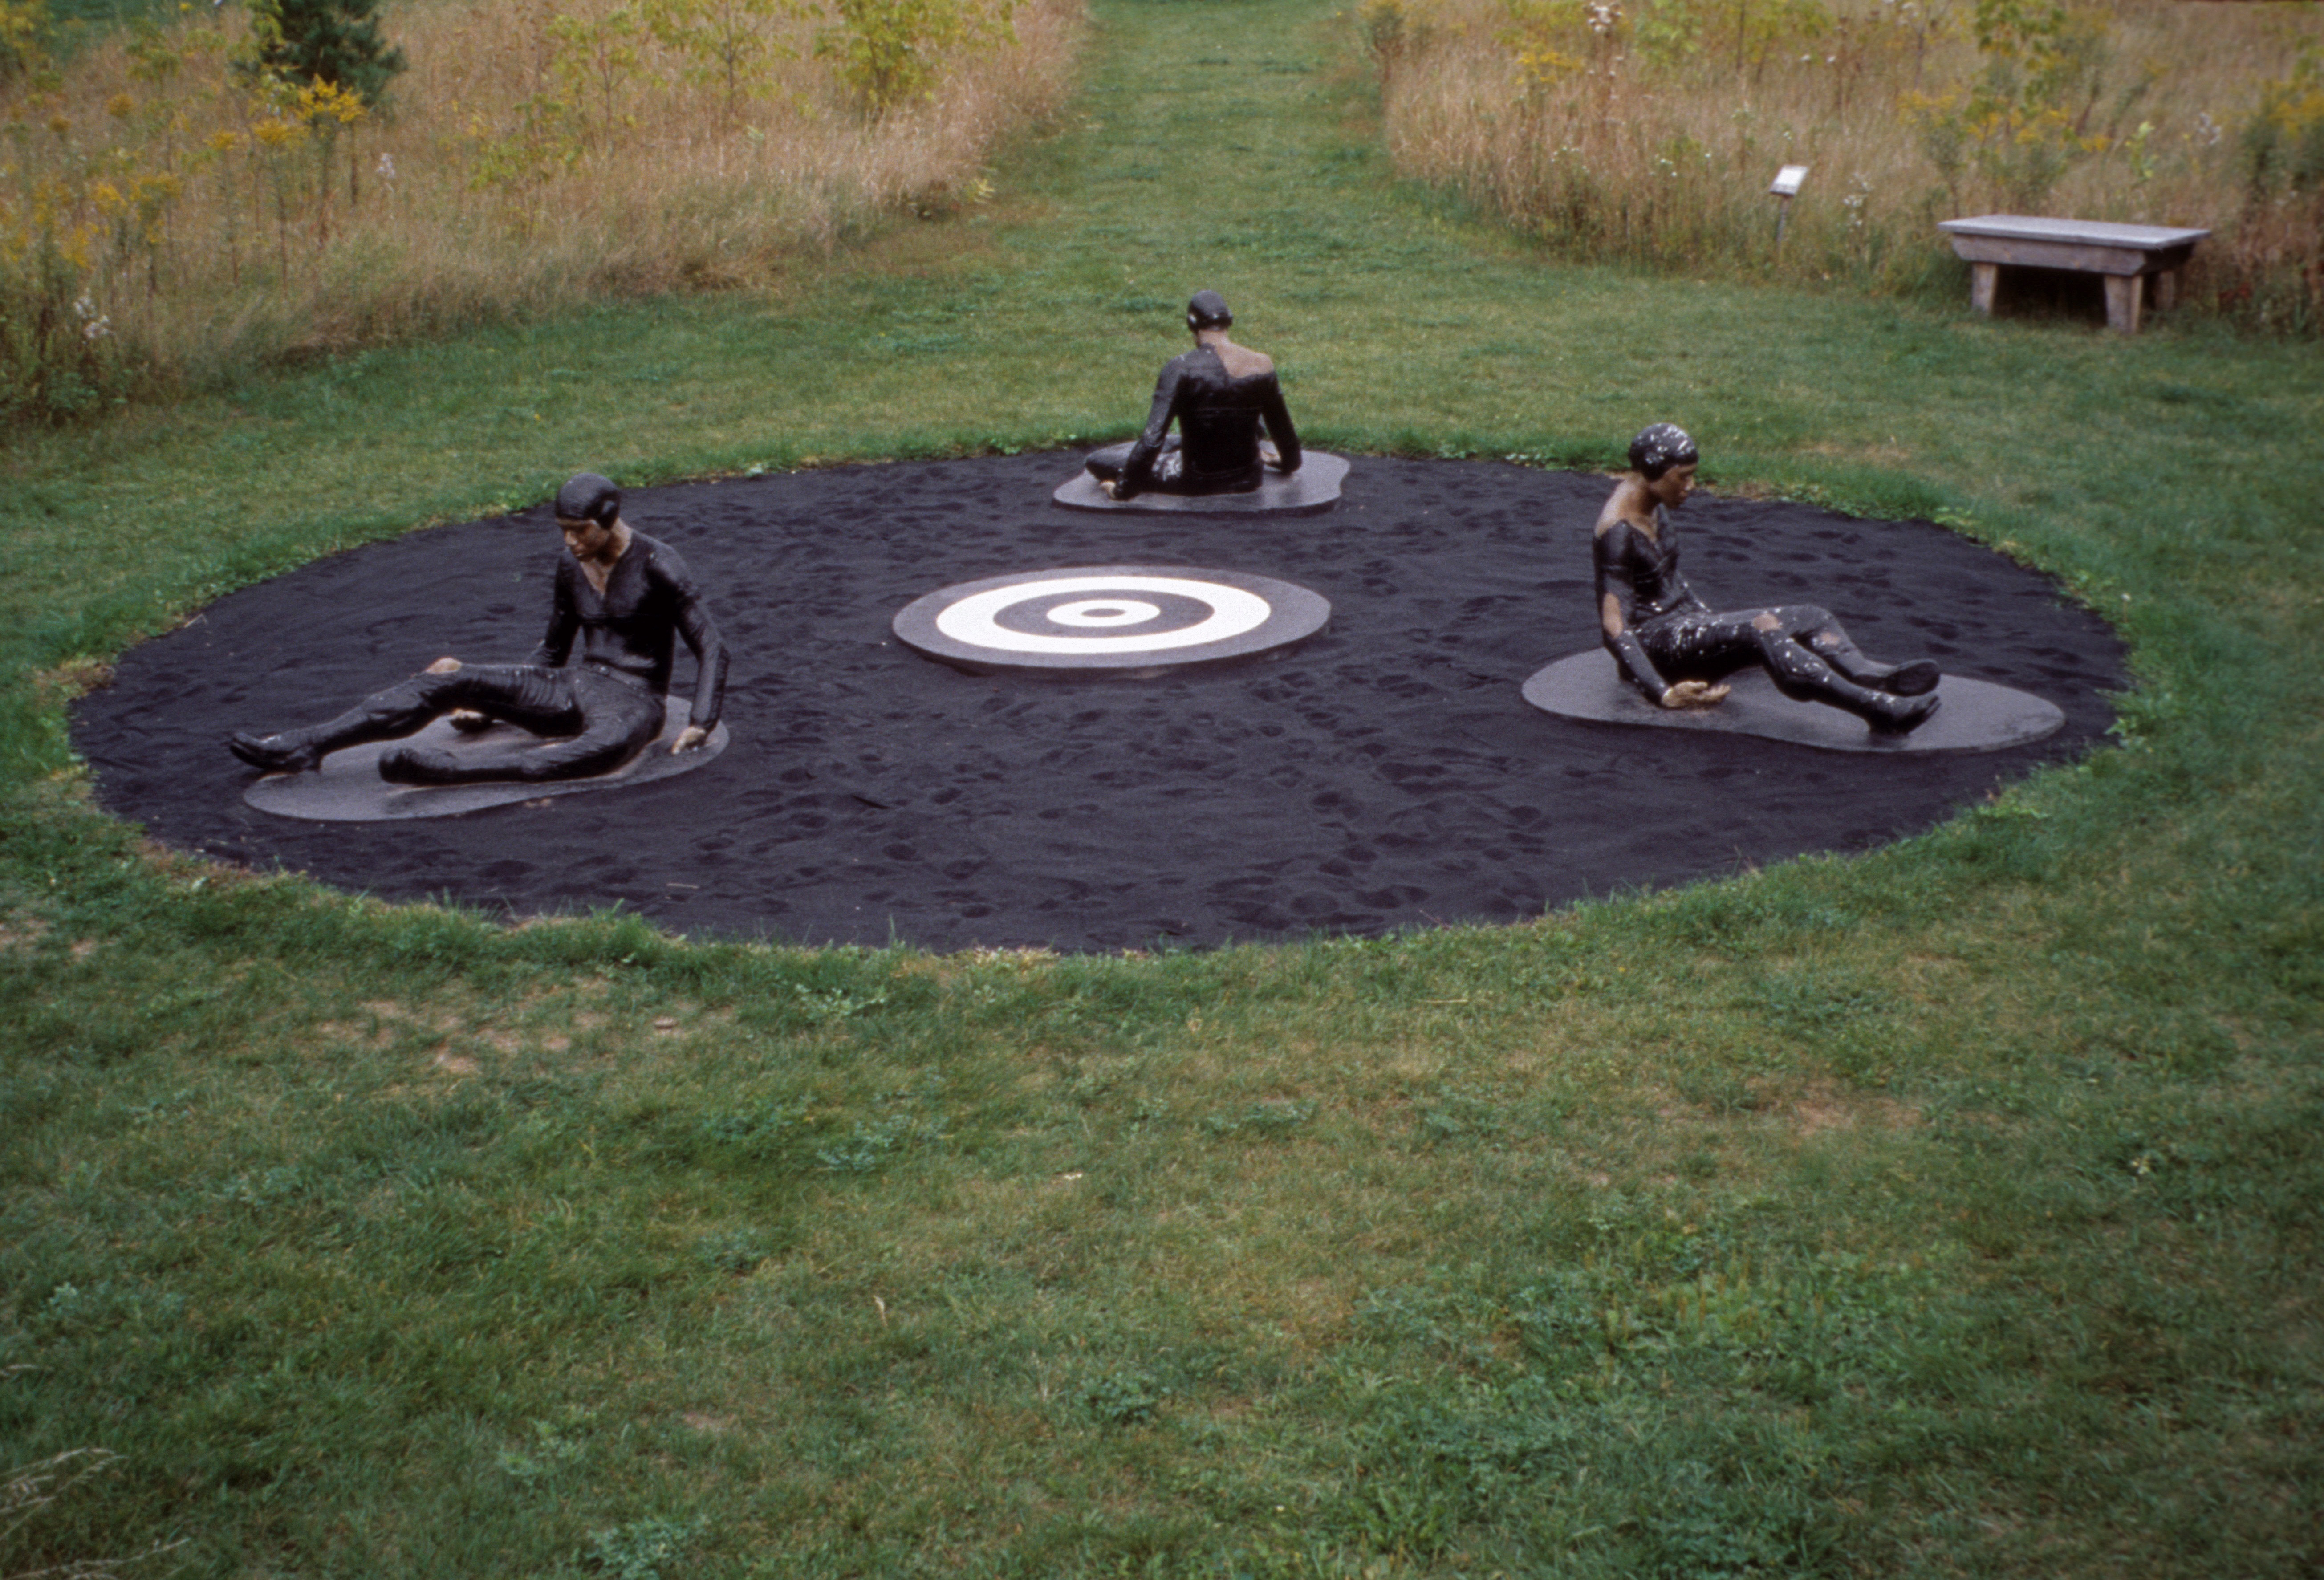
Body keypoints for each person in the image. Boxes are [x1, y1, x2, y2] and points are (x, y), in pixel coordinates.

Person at [228, 473, 729, 784]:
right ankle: (307, 744)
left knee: (593, 752)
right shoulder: (569, 563)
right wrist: (497, 701)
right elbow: (553, 649)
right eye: (564, 532)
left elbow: (710, 644)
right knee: (445, 680)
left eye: (581, 532)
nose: (572, 543)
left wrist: (700, 720)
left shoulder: (659, 563)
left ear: (609, 517)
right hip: (574, 684)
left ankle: (447, 772)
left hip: (633, 699)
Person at [1593, 424, 1941, 733]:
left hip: (1684, 626)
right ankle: (1877, 710)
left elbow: (1668, 579)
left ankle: (1870, 676)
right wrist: (1664, 693)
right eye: (1682, 477)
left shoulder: (1653, 503)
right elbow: (1614, 626)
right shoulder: (1618, 531)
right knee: (1762, 629)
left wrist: (1710, 622)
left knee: (1812, 616)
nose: (1691, 486)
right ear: (1655, 471)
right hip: (1658, 648)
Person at [1083, 290, 1303, 500]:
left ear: (1192, 323)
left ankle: (1183, 453)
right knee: (1250, 426)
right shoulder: (1262, 364)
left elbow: (1151, 442)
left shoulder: (1180, 368)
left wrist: (1123, 490)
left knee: (1098, 460)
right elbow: (1284, 433)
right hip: (1249, 479)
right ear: (1229, 321)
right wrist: (1284, 463)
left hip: (1196, 480)